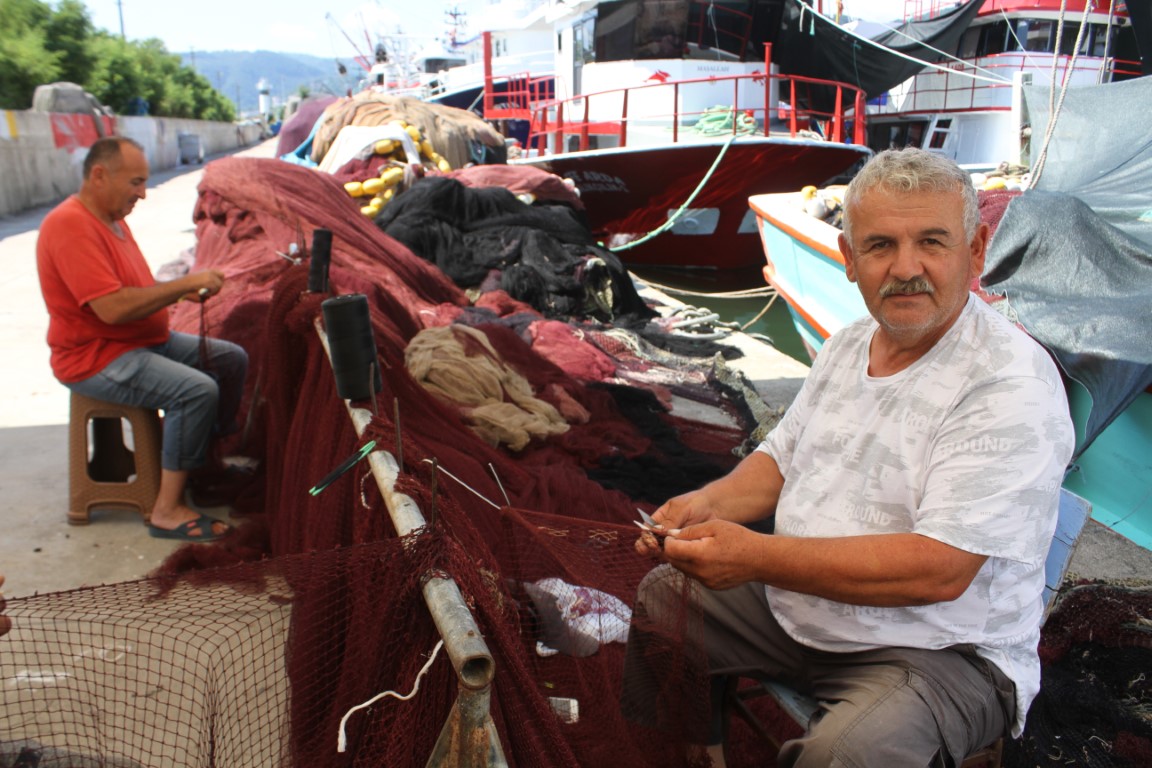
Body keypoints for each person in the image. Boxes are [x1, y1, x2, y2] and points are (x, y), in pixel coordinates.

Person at [622, 147, 1075, 766]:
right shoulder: (847, 344)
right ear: (848, 259)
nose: (906, 268)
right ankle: (702, 753)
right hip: (799, 610)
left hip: (941, 650)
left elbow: (939, 571)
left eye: (933, 242)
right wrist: (701, 507)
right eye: (881, 245)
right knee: (663, 601)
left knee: (849, 753)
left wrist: (754, 556)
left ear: (976, 252)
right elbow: (779, 462)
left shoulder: (1008, 382)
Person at [36, 136, 248, 542]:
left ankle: (203, 466)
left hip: (136, 342)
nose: (143, 193)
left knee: (230, 360)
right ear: (99, 175)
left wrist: (178, 290)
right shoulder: (70, 225)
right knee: (195, 390)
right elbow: (112, 308)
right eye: (136, 182)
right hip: (95, 357)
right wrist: (184, 282)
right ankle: (166, 511)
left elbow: (132, 286)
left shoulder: (113, 220)